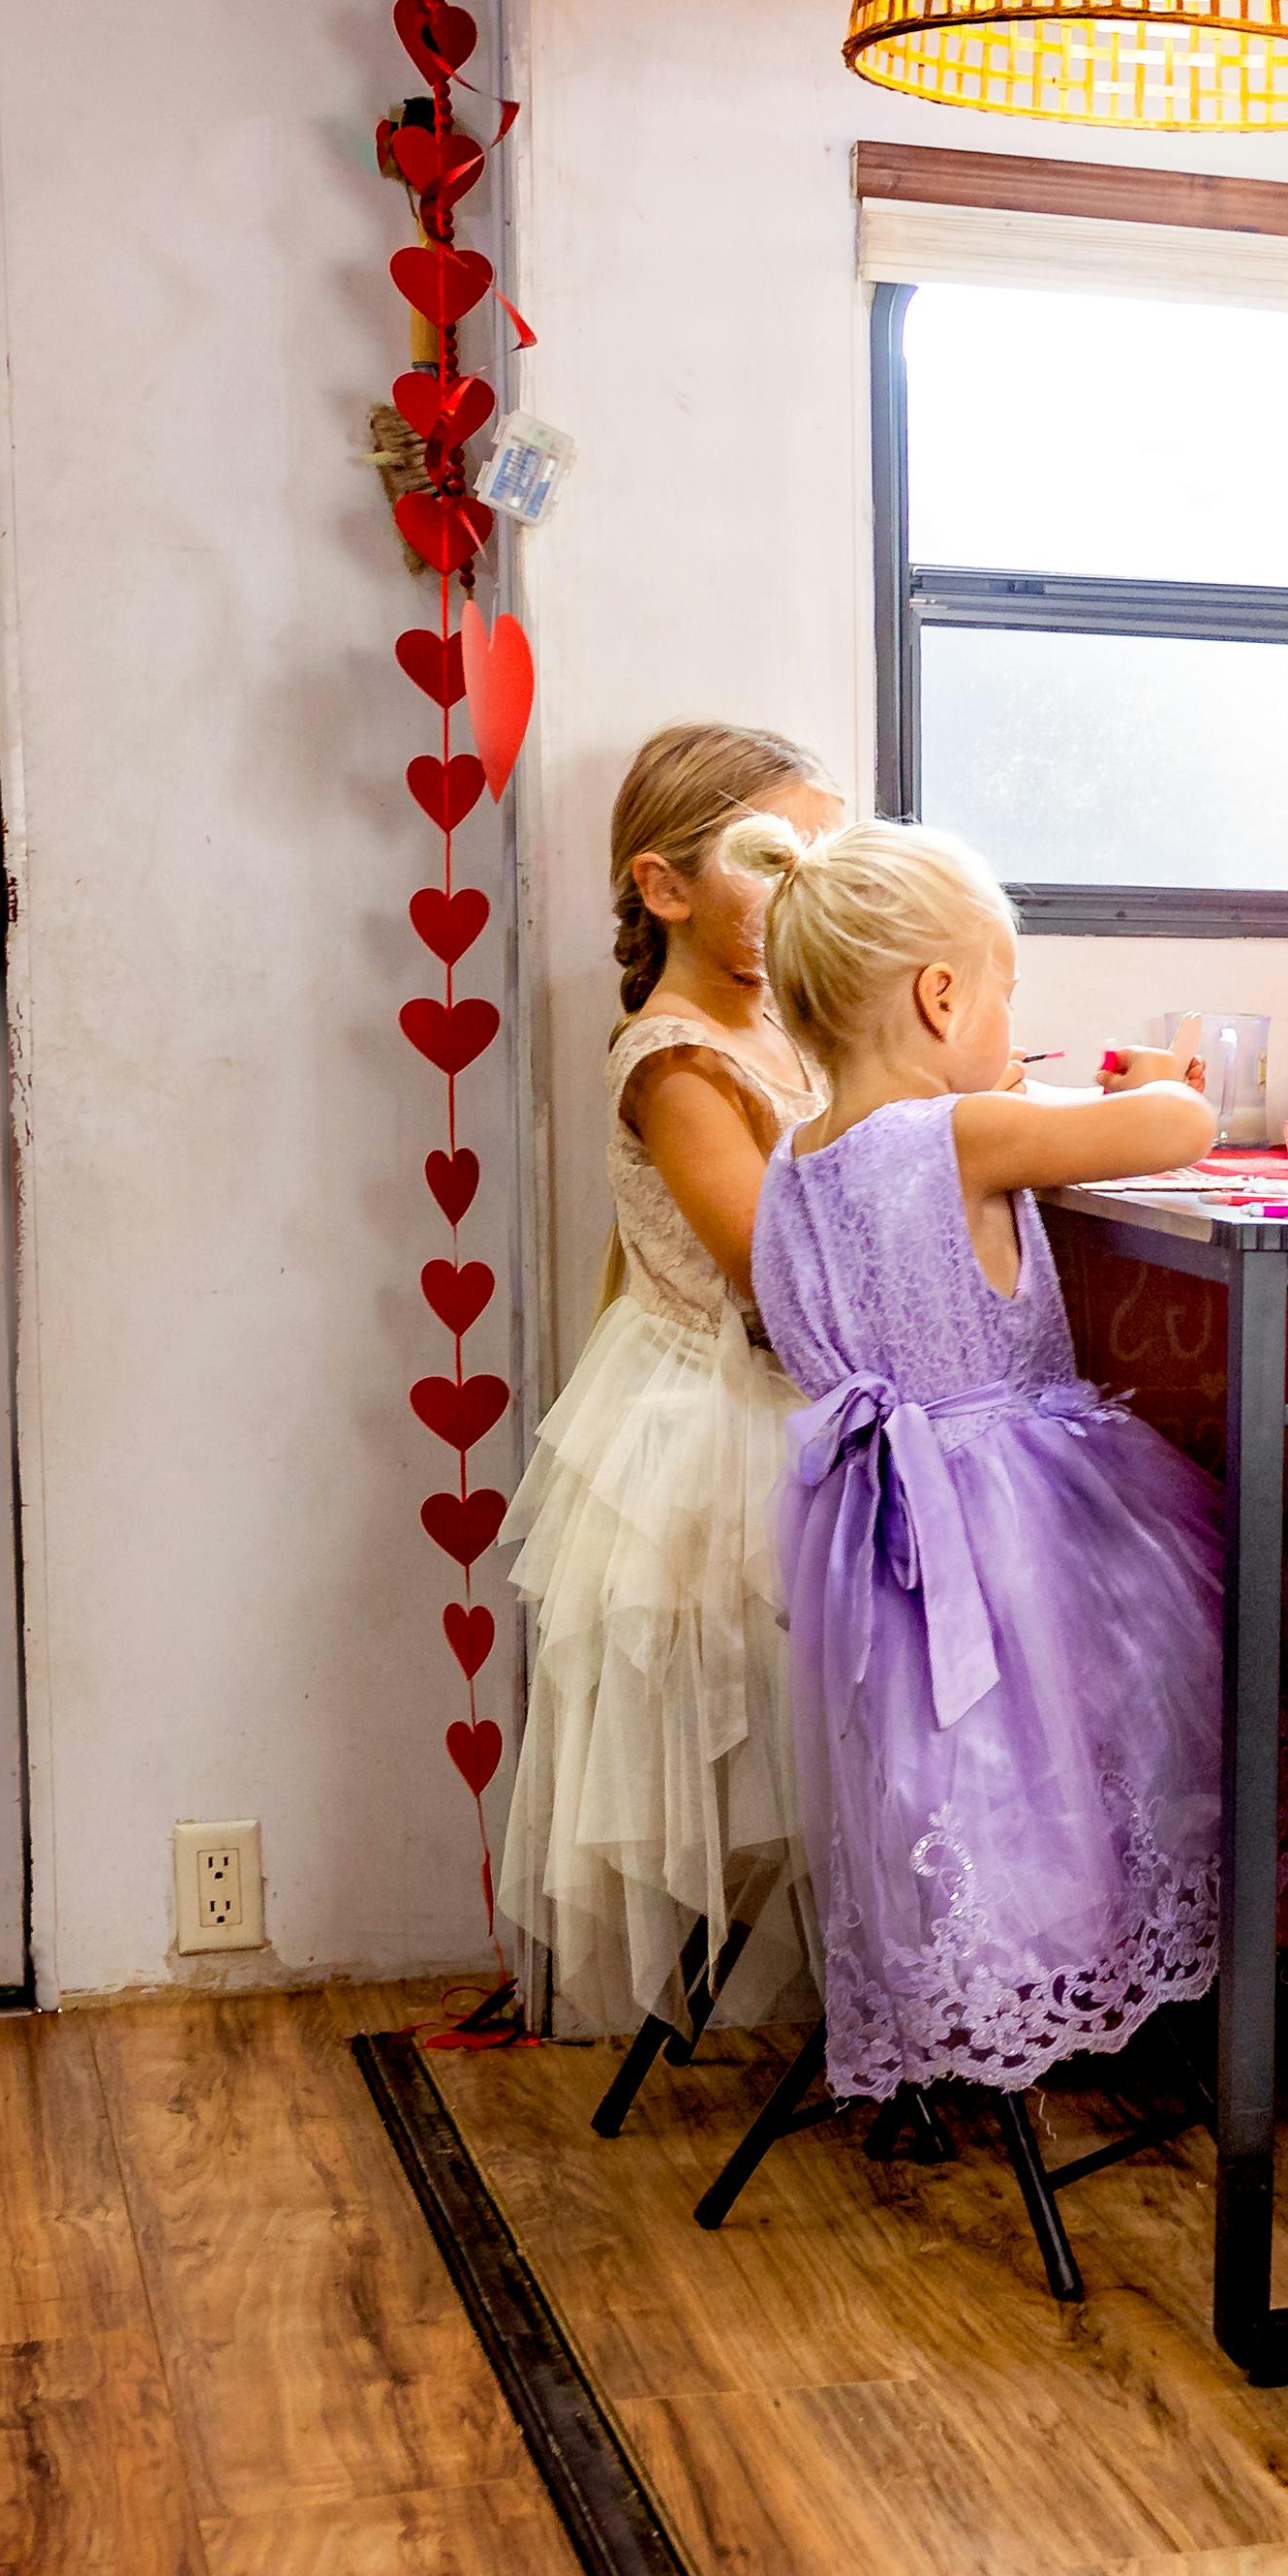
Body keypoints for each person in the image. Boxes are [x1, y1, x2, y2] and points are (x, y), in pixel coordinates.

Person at [730, 812, 1240, 2103]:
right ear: (939, 995)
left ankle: (980, 1985)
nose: (1014, 1030)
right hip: (1016, 1516)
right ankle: (1147, 1971)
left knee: (961, 1768)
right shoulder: (962, 1134)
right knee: (1169, 1677)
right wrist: (1159, 1077)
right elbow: (1177, 1130)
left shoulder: (796, 1161)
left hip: (872, 1530)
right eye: (1008, 997)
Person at [496, 721, 839, 2052]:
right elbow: (780, 1274)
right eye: (772, 859)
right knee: (771, 1728)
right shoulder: (680, 1057)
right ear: (665, 887)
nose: (806, 887)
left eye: (828, 857)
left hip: (790, 1392)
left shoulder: (791, 1025)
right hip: (723, 1419)